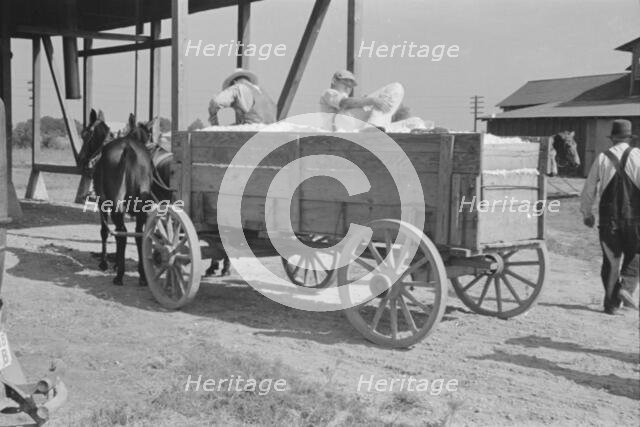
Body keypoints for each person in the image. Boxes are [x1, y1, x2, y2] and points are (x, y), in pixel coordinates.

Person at [581, 119, 640, 314]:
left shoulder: (602, 158)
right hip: (635, 220)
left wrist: (587, 213)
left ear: (613, 138)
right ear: (629, 138)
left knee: (611, 261)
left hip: (609, 219)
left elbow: (589, 188)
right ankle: (626, 288)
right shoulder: (638, 156)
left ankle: (611, 304)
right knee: (636, 254)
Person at [319, 70, 428, 132]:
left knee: (415, 122)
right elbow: (344, 103)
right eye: (345, 83)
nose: (348, 87)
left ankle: (375, 129)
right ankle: (372, 128)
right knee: (396, 87)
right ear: (334, 81)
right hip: (340, 123)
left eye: (351, 85)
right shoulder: (329, 93)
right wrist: (371, 100)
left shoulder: (351, 102)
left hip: (355, 128)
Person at [208, 69, 276, 125]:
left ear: (234, 82)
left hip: (253, 131)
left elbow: (215, 102)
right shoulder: (263, 92)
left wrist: (213, 118)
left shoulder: (238, 87)